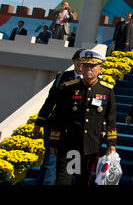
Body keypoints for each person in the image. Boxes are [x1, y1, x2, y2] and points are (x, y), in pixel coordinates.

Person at [49, 49, 116, 185]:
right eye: (85, 66)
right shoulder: (70, 88)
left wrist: (111, 143)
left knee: (82, 180)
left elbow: (110, 118)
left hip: (91, 143)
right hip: (70, 142)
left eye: (92, 67)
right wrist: (54, 139)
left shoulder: (106, 90)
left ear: (99, 69)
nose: (88, 70)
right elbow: (59, 115)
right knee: (64, 179)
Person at [33, 48, 85, 185]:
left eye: (84, 62)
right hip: (56, 127)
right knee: (50, 164)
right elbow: (51, 100)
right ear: (74, 61)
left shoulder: (91, 81)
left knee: (73, 167)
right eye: (79, 61)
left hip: (76, 131)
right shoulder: (63, 77)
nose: (81, 65)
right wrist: (39, 121)